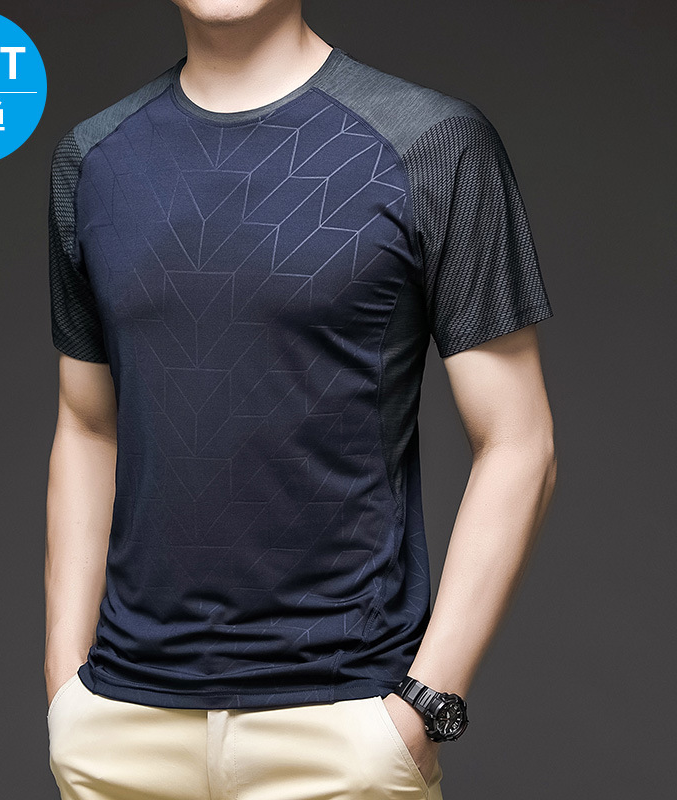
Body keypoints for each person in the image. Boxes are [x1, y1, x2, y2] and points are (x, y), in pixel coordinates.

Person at [43, 1, 557, 798]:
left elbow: (520, 442)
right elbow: (86, 425)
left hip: (342, 727)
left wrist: (423, 706)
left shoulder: (432, 143)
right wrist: (65, 687)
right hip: (119, 728)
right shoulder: (93, 159)